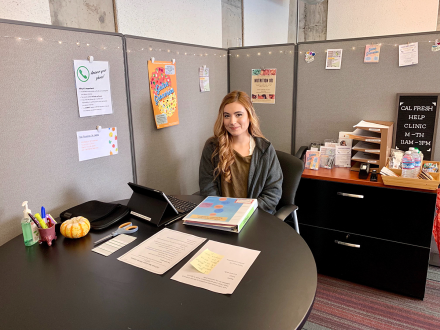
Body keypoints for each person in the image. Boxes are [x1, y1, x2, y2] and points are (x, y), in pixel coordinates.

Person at [199, 90, 283, 214]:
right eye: (227, 115)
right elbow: (207, 187)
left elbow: (273, 193)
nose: (232, 121)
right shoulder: (212, 147)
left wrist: (243, 212)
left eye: (238, 114)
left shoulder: (264, 149)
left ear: (249, 116)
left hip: (256, 216)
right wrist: (224, 211)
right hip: (221, 214)